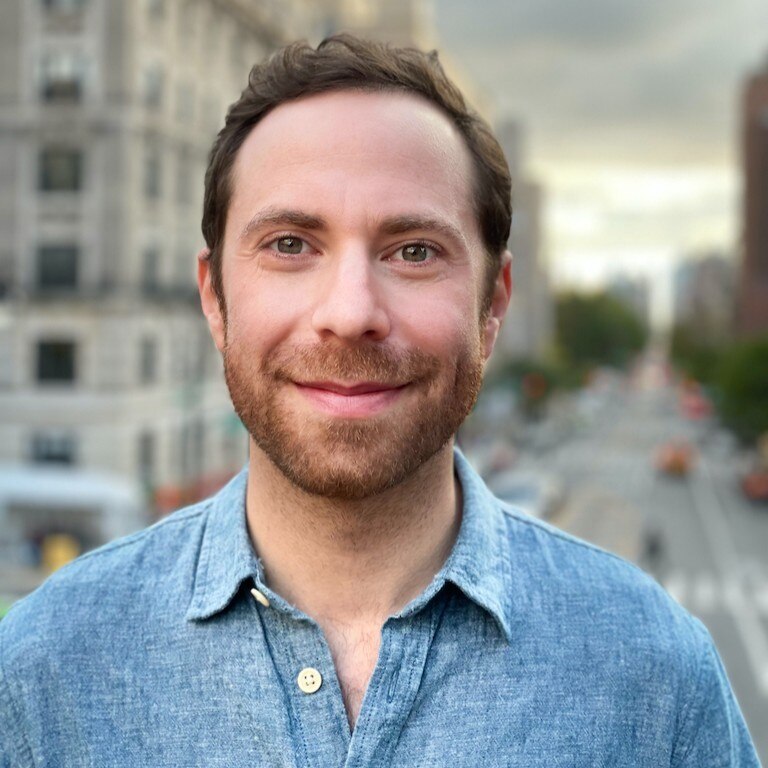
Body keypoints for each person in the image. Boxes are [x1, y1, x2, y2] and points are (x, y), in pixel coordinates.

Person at [0, 35, 759, 766]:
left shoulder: (659, 678)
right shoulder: (39, 675)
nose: (351, 310)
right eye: (290, 245)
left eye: (414, 251)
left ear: (492, 306)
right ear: (214, 297)